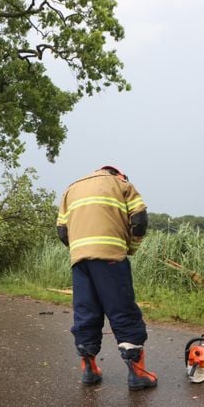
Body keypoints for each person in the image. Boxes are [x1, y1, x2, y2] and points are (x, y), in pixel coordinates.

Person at [56, 165, 157, 390]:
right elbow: (139, 220)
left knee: (86, 311)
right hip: (111, 256)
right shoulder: (121, 184)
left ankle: (89, 370)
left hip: (80, 260)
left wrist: (81, 250)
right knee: (122, 310)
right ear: (118, 174)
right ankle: (138, 374)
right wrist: (130, 248)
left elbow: (62, 231)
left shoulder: (71, 188)